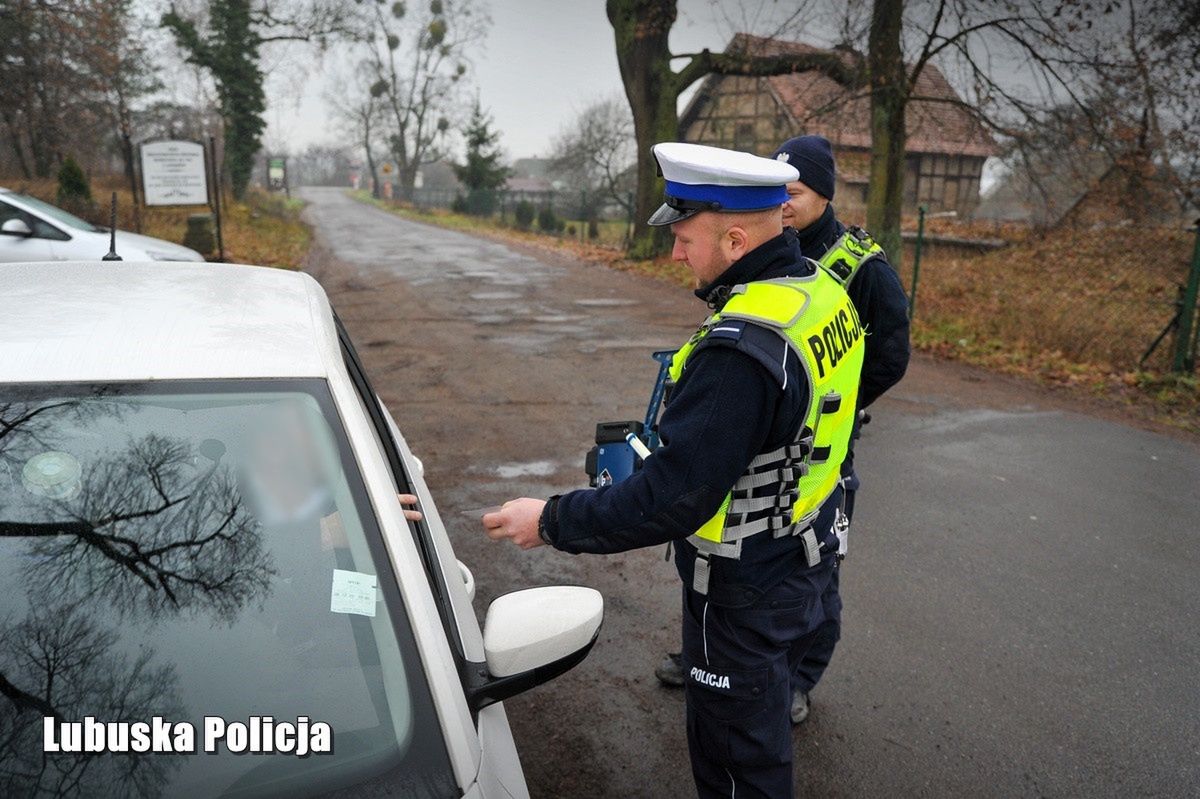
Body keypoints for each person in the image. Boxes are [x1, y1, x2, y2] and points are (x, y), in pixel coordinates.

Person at [483, 142, 866, 798]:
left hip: (745, 590)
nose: (675, 253)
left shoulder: (741, 352)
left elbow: (671, 498)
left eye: (685, 237)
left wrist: (548, 519)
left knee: (737, 765)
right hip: (804, 555)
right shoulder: (819, 293)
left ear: (738, 238)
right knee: (764, 721)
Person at [654, 135, 911, 726]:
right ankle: (711, 659)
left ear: (824, 195)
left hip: (820, 447)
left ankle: (797, 678)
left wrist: (829, 406)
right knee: (726, 545)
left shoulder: (860, 267)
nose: (784, 202)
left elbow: (889, 355)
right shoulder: (769, 249)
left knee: (811, 562)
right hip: (761, 441)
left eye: (793, 192)